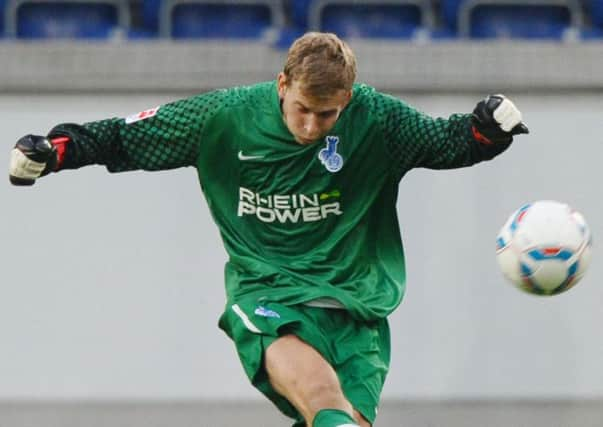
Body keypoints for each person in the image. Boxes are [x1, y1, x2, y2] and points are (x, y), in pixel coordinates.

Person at [8, 32, 528, 427]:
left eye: (326, 116)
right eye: (302, 109)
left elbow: (444, 141)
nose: (310, 126)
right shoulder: (225, 117)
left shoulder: (376, 119)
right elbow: (125, 138)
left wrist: (486, 131)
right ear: (283, 85)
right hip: (267, 291)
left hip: (355, 307)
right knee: (324, 399)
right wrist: (56, 151)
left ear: (346, 100)